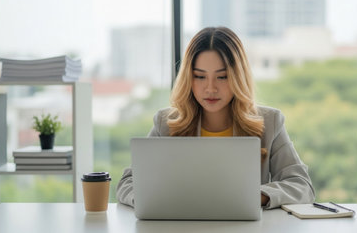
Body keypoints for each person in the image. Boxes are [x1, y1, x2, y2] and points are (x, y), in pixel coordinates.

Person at [116, 27, 315, 209]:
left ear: (238, 77)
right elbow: (127, 183)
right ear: (188, 78)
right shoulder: (166, 123)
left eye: (222, 77)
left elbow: (302, 185)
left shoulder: (270, 122)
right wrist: (151, 199)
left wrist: (258, 196)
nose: (210, 88)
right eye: (200, 76)